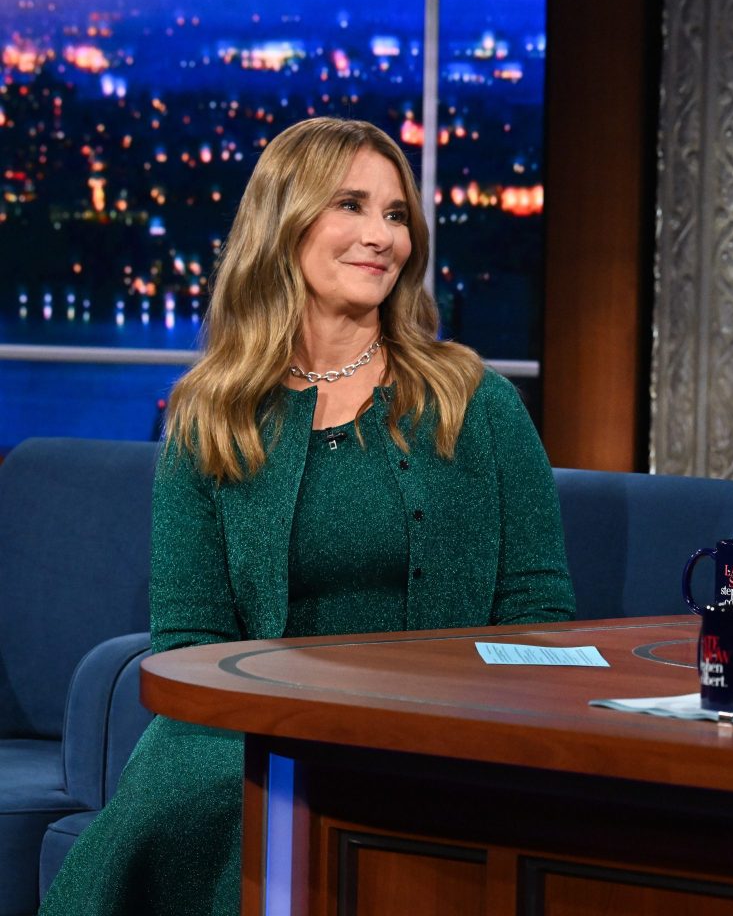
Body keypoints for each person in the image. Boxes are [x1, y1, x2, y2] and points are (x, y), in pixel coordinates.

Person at [40, 117, 575, 914]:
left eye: (396, 215)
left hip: (432, 725)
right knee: (205, 805)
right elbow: (190, 641)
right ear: (283, 225)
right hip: (243, 727)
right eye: (351, 206)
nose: (380, 236)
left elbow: (542, 617)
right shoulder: (210, 413)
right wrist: (286, 724)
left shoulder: (475, 402)